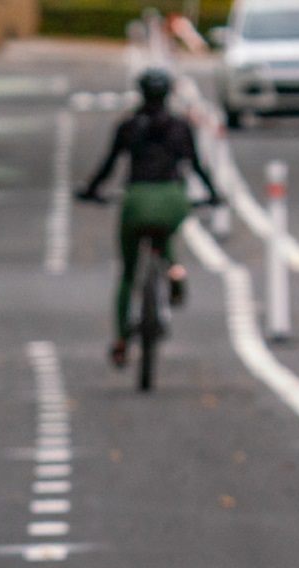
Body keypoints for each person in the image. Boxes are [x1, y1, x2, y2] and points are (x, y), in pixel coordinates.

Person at [77, 67, 223, 368]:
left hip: (136, 198)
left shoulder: (128, 126)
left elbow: (107, 167)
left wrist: (89, 192)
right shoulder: (181, 127)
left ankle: (120, 340)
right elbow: (197, 166)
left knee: (129, 273)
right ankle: (174, 273)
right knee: (166, 235)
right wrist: (214, 195)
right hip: (172, 197)